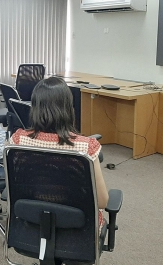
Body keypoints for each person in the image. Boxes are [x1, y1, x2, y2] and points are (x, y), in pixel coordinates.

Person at [10, 77, 109, 227]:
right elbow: (102, 201)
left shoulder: (18, 140)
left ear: (34, 107)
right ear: (68, 107)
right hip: (79, 228)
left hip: (32, 220)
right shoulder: (86, 147)